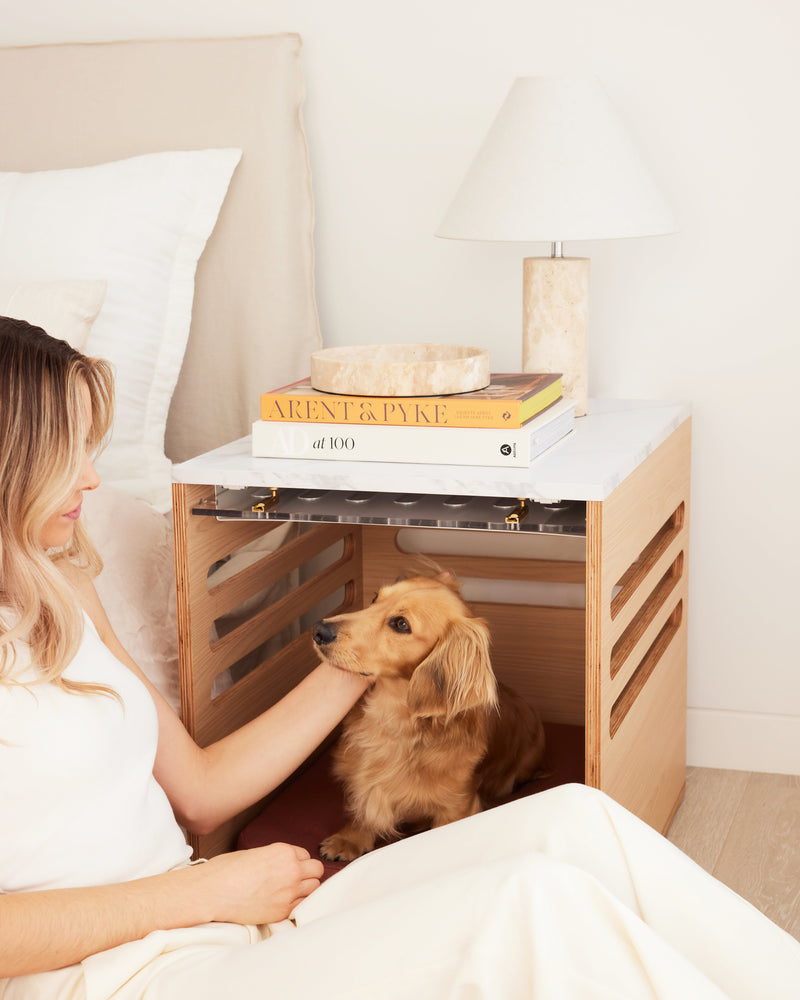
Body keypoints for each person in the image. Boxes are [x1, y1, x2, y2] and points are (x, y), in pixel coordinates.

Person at [1, 318, 798, 1000]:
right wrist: (199, 892)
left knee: (574, 822)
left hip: (217, 926)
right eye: (64, 453)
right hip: (118, 976)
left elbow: (204, 794)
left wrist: (372, 644)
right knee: (531, 899)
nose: (93, 478)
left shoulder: (60, 582)